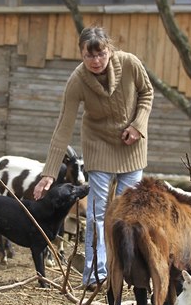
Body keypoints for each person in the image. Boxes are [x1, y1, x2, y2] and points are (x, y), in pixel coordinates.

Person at [33, 26, 153, 290]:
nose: (96, 61)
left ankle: (125, 270)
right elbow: (63, 126)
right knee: (98, 213)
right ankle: (95, 275)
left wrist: (138, 125)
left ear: (109, 50)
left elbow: (147, 93)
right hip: (98, 146)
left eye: (101, 54)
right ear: (81, 55)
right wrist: (49, 173)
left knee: (128, 214)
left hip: (131, 147)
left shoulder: (130, 64)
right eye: (89, 56)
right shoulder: (77, 80)